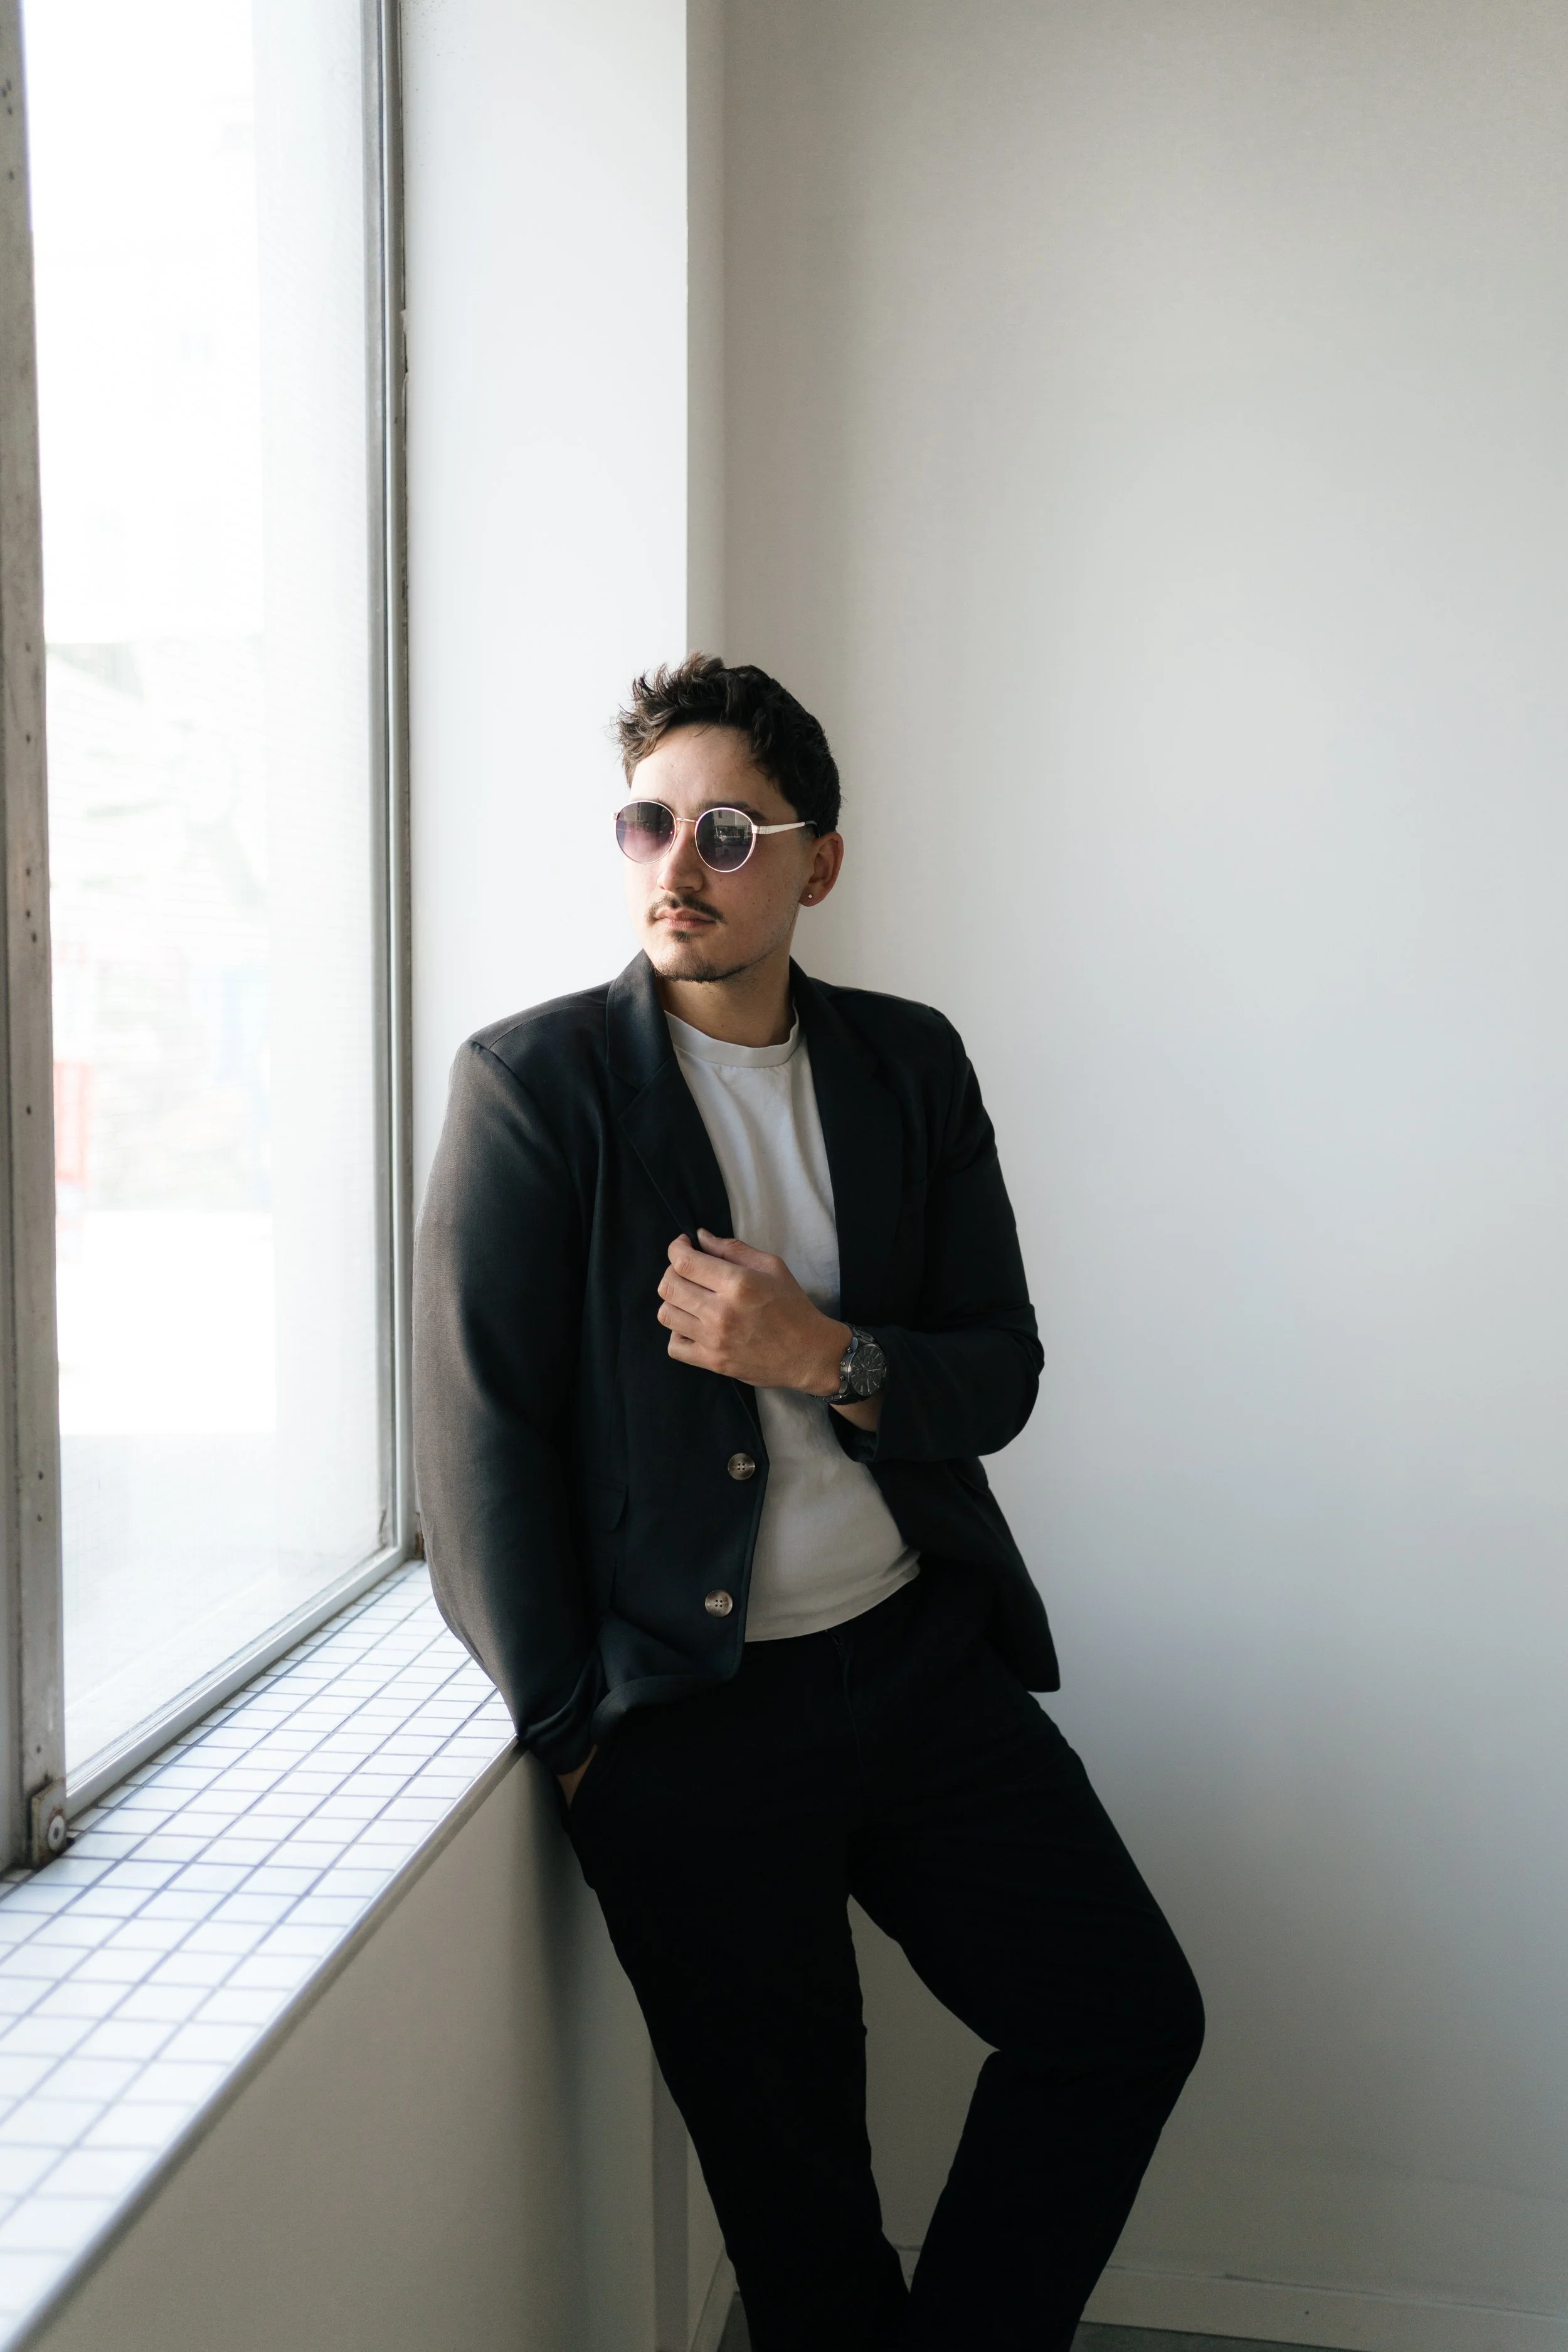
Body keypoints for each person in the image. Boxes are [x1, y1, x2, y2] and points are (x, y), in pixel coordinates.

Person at [413, 655, 1203, 2352]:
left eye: (721, 829)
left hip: (918, 1669)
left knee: (1124, 2020)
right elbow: (480, 1454)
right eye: (644, 823)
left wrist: (823, 1353)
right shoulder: (535, 1090)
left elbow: (998, 1365)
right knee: (802, 2218)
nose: (671, 865)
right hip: (688, 1733)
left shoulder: (907, 1065)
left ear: (814, 862)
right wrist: (581, 1733)